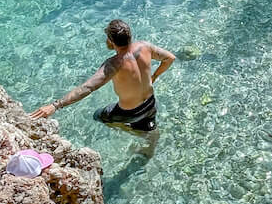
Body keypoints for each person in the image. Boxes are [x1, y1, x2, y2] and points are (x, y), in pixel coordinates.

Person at [30, 19, 175, 132]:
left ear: (111, 41)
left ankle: (131, 130)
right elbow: (169, 58)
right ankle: (146, 132)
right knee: (147, 127)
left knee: (99, 116)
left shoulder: (114, 64)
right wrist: (154, 77)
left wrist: (56, 105)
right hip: (150, 103)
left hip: (130, 112)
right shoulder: (145, 46)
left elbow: (87, 88)